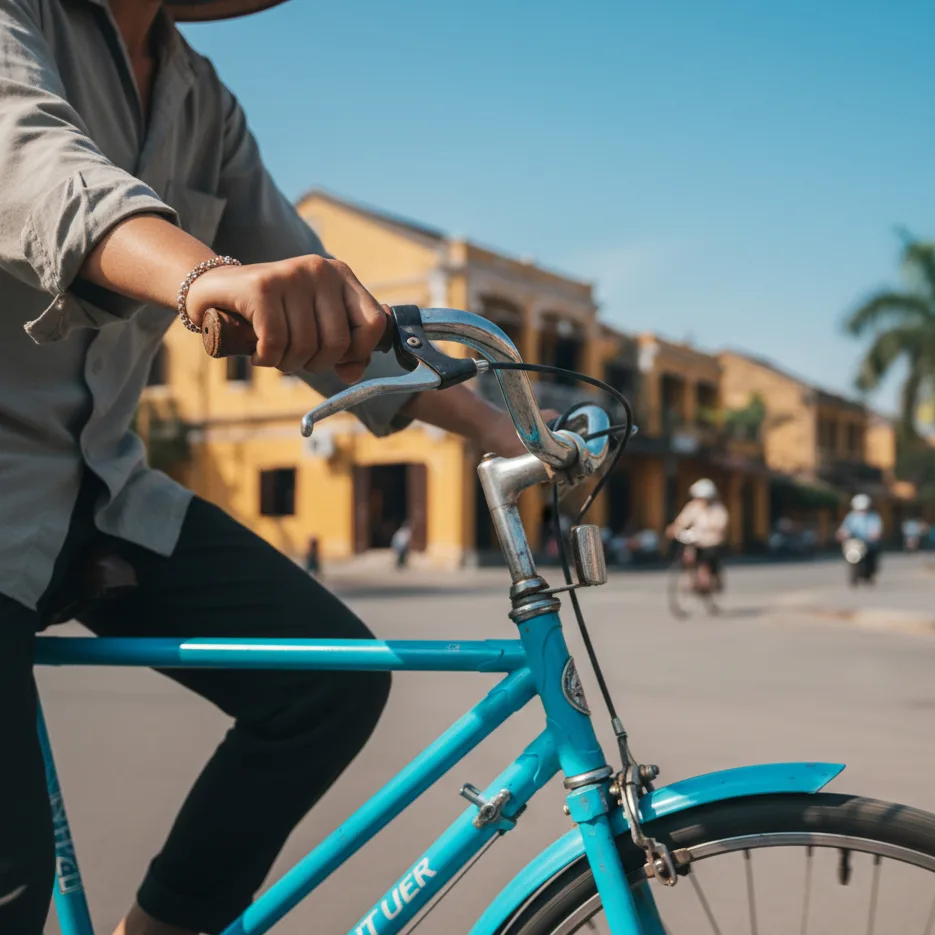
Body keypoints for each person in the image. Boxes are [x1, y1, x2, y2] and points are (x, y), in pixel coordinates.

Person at [0, 4, 552, 934]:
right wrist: (202, 274)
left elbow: (321, 305)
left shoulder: (200, 98)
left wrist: (495, 427)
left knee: (330, 680)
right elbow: (37, 166)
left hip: (105, 493)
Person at [666, 479, 729, 593]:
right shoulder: (693, 507)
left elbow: (721, 524)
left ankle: (711, 580)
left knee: (708, 560)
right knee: (688, 555)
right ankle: (691, 580)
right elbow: (683, 520)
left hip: (711, 542)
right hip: (695, 540)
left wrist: (713, 529)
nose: (701, 500)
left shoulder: (717, 508)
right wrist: (674, 528)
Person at [837, 494, 883, 577]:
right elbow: (845, 528)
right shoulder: (851, 517)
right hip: (855, 542)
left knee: (874, 551)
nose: (862, 511)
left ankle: (871, 569)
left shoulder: (873, 516)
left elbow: (876, 529)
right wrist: (841, 534)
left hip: (868, 542)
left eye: (863, 509)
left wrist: (875, 535)